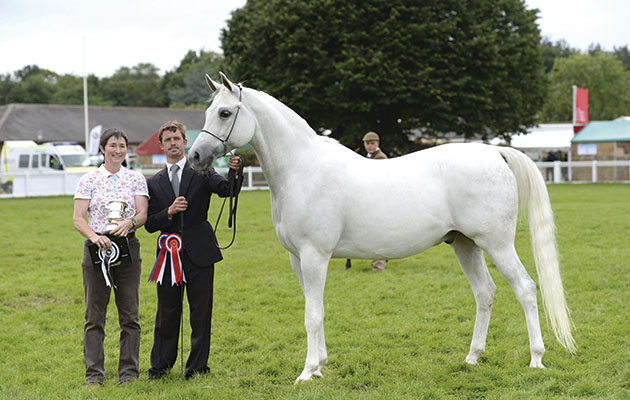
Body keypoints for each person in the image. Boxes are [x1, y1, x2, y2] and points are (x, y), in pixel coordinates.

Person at [146, 121, 242, 380]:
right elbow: (150, 224)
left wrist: (235, 172)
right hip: (168, 256)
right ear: (161, 144)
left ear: (185, 141)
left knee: (200, 312)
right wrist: (168, 212)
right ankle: (160, 366)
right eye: (167, 140)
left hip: (200, 252)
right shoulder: (153, 183)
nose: (173, 143)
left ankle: (197, 367)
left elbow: (227, 190)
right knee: (166, 313)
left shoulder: (202, 171)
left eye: (177, 138)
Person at [73, 128, 149, 386]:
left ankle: (129, 374)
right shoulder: (89, 180)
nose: (118, 150)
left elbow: (142, 214)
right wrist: (95, 237)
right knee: (94, 316)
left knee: (130, 316)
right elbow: (78, 219)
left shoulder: (136, 178)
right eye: (113, 145)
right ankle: (94, 376)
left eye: (122, 146)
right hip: (97, 250)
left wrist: (130, 224)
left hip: (127, 249)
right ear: (103, 148)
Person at [363, 131, 388, 271]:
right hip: (370, 198)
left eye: (372, 143)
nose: (369, 146)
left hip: (379, 199)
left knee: (377, 233)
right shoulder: (369, 157)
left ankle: (379, 266)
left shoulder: (380, 158)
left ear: (377, 143)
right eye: (367, 143)